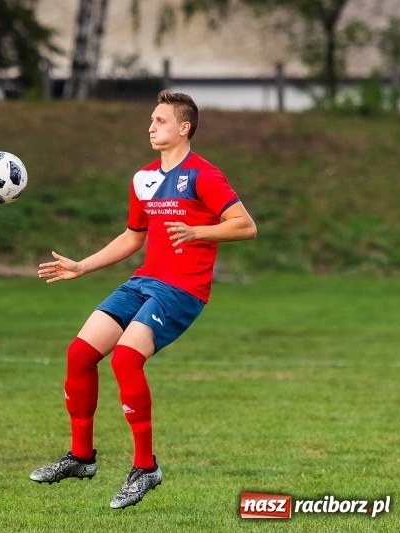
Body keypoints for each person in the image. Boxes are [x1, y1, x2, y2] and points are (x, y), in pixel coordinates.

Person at [29, 90, 257, 509]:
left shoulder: (205, 175)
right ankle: (81, 457)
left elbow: (245, 226)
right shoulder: (144, 178)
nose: (151, 127)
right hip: (144, 281)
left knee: (125, 359)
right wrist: (82, 266)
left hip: (183, 289)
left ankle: (145, 467)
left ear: (184, 128)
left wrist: (198, 232)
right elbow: (134, 236)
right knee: (80, 353)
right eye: (151, 121)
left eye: (161, 121)